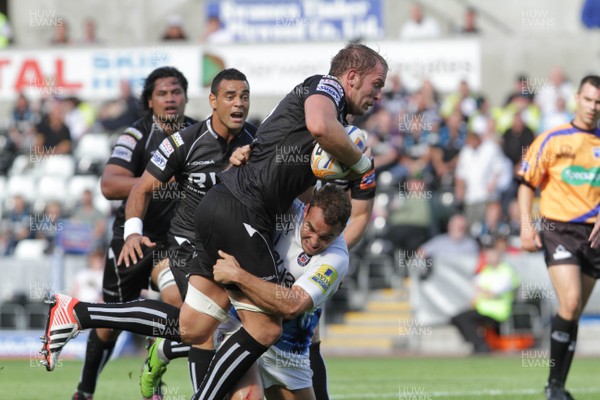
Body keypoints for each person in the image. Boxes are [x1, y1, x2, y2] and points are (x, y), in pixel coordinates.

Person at [181, 43, 386, 400]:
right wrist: (361, 165)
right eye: (377, 84)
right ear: (352, 77)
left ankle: (81, 314)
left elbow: (301, 190)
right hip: (241, 210)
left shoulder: (324, 130)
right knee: (266, 329)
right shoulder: (327, 88)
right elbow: (320, 125)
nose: (378, 95)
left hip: (228, 205)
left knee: (194, 326)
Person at [118, 68, 256, 399]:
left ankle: (163, 351)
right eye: (230, 96)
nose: (239, 104)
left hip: (231, 249)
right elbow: (141, 188)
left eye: (245, 96)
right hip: (185, 244)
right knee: (207, 325)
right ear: (212, 101)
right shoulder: (184, 141)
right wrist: (132, 233)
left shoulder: (256, 142)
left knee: (232, 330)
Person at [65, 66, 196, 400]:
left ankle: (155, 380)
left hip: (172, 244)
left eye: (176, 92)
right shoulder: (137, 135)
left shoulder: (199, 134)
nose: (170, 99)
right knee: (109, 326)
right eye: (162, 93)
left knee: (177, 304)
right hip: (132, 239)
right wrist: (157, 180)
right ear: (150, 101)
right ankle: (85, 389)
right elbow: (109, 185)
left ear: (185, 96)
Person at [519, 75, 600, 400]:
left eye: (599, 103)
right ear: (577, 98)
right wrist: (526, 225)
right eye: (589, 99)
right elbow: (526, 183)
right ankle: (554, 386)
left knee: (575, 309)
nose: (594, 107)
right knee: (568, 301)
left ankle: (558, 385)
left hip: (594, 235)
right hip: (559, 229)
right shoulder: (552, 139)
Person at [451, 236, 520, 353]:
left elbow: (493, 293)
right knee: (456, 318)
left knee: (464, 319)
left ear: (498, 255)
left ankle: (481, 346)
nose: (488, 257)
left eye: (491, 254)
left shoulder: (507, 271)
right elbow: (475, 287)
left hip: (497, 312)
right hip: (483, 309)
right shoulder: (486, 270)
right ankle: (477, 344)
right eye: (487, 254)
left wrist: (481, 291)